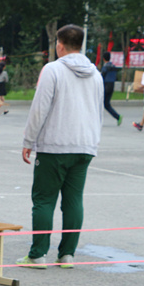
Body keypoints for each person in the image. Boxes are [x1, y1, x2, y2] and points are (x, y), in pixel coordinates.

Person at [18, 24, 103, 269]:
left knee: (44, 200)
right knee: (74, 200)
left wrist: (29, 140)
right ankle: (67, 254)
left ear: (60, 45)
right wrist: (93, 141)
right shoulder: (95, 74)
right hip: (84, 145)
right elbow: (98, 111)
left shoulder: (53, 69)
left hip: (55, 145)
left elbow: (39, 108)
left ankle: (37, 254)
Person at [100, 52, 121, 125]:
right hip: (112, 86)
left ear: (103, 58)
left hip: (105, 86)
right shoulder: (113, 66)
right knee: (106, 104)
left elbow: (101, 77)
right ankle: (118, 117)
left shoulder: (105, 67)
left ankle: (98, 120)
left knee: (100, 103)